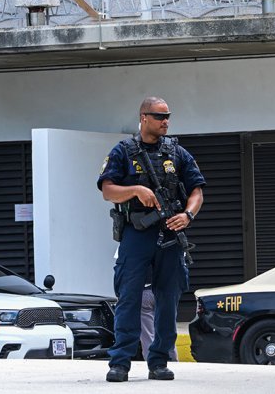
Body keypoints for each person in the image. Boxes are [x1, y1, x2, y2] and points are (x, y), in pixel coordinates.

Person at [99, 96, 205, 382]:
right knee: (129, 297)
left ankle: (158, 361)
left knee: (168, 299)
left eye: (168, 116)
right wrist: (135, 190)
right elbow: (108, 190)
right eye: (160, 117)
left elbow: (197, 190)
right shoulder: (124, 151)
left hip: (170, 233)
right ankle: (120, 361)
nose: (165, 121)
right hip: (137, 233)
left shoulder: (177, 152)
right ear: (144, 117)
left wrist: (188, 216)